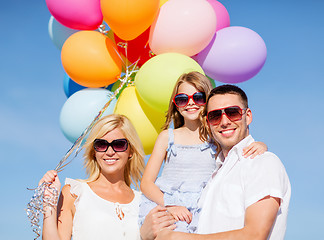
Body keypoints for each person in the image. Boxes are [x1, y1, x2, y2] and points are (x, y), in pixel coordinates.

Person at [145, 84, 291, 240]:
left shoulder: (261, 163)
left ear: (247, 116)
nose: (224, 121)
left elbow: (255, 235)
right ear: (208, 123)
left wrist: (178, 238)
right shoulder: (214, 175)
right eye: (215, 116)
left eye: (232, 112)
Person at [39, 114, 145, 240]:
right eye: (101, 144)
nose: (110, 152)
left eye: (119, 144)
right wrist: (49, 205)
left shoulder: (143, 202)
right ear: (94, 152)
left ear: (131, 150)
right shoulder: (74, 193)